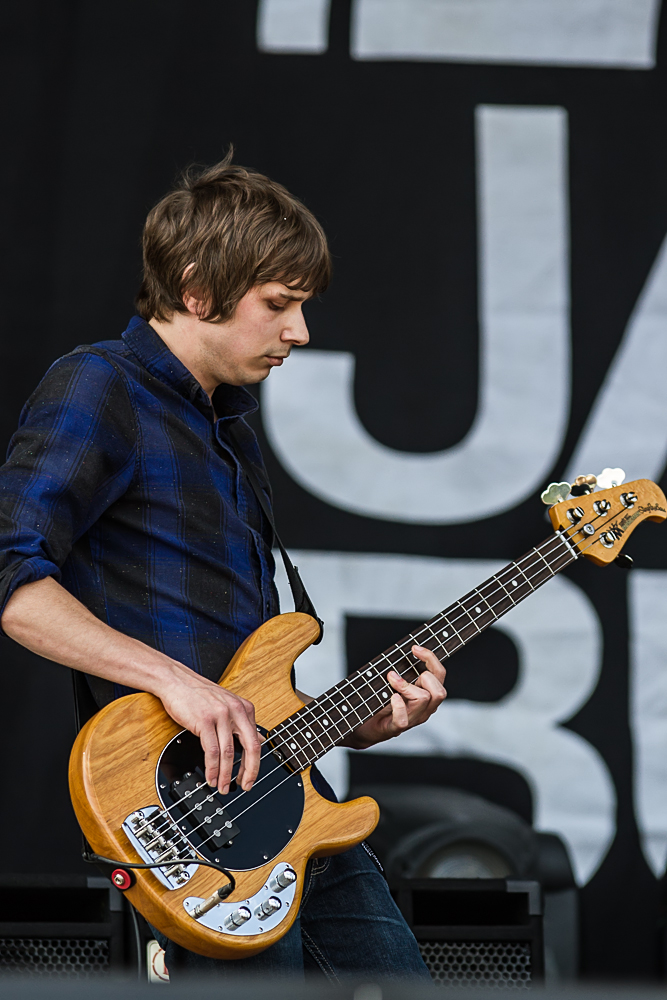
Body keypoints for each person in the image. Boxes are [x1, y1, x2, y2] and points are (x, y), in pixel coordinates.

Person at [0, 154, 447, 980]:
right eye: (278, 305)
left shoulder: (229, 428)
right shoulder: (99, 386)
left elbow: (241, 681)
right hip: (189, 816)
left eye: (302, 306)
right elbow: (15, 584)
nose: (300, 333)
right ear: (198, 288)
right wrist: (171, 680)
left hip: (286, 797)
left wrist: (359, 722)